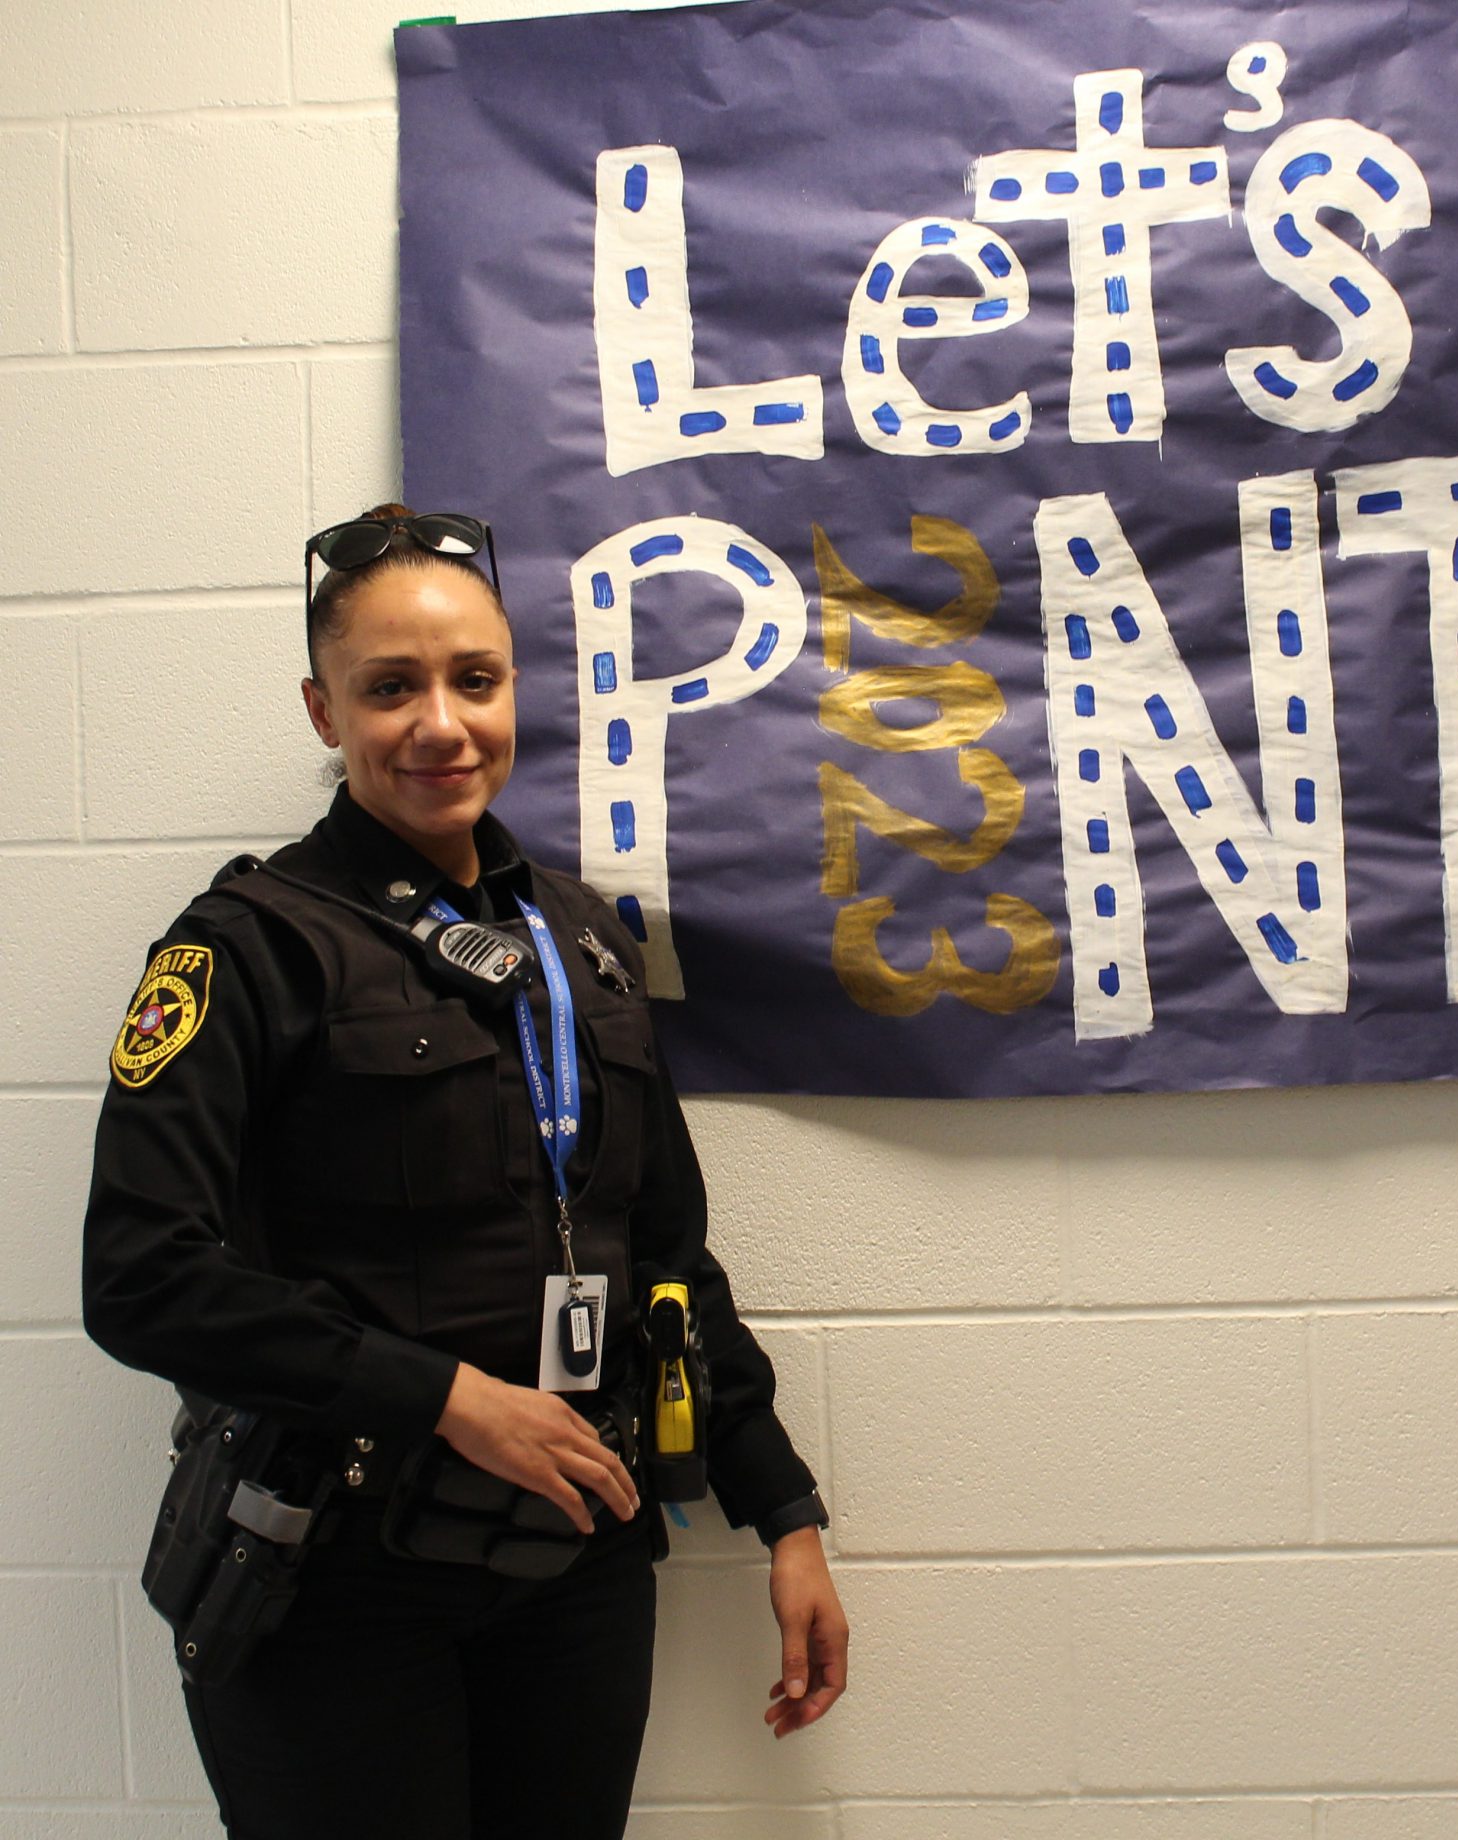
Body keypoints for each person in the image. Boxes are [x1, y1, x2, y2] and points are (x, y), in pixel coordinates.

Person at [83, 505, 847, 1838]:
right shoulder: (246, 948)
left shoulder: (587, 943)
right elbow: (141, 1281)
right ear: (325, 713)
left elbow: (669, 1257)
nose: (440, 724)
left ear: (513, 691)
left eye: (472, 681)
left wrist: (782, 1511)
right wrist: (447, 1398)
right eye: (391, 688)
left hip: (576, 1575)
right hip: (333, 1580)